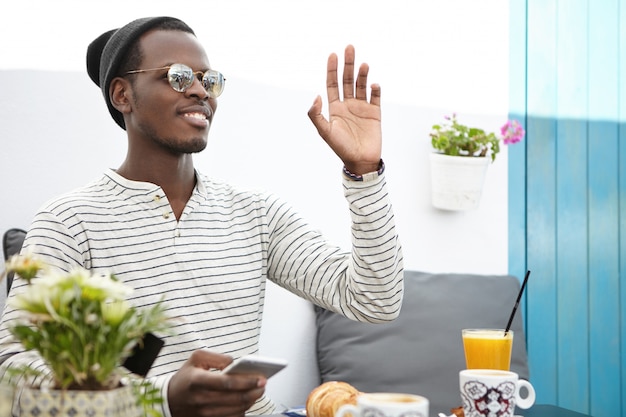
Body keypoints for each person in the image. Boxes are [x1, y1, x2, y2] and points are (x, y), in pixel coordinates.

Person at [0, 16, 404, 417]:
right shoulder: (69, 221)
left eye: (208, 81)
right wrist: (163, 399)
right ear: (122, 94)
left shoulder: (256, 213)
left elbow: (375, 300)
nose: (199, 91)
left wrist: (364, 172)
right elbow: (14, 380)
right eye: (176, 77)